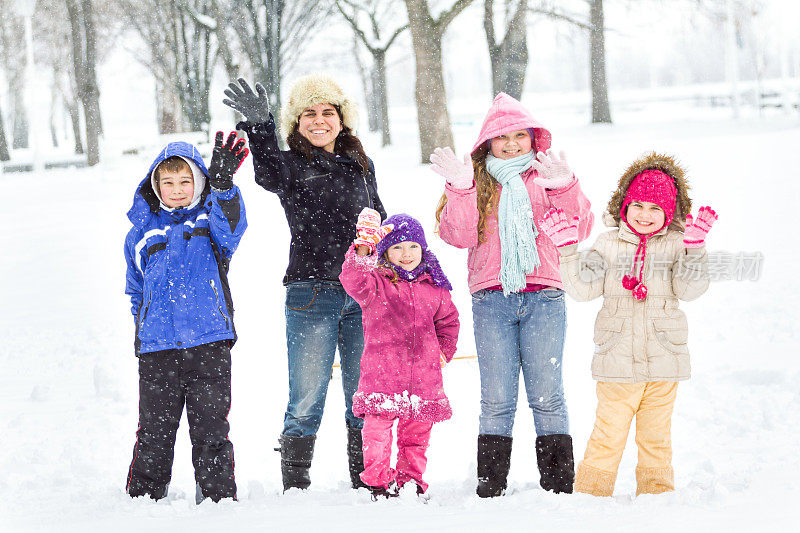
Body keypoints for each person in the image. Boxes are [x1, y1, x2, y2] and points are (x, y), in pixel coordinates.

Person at [223, 75, 386, 491]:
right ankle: (296, 486)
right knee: (307, 397)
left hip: (363, 294)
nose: (319, 121)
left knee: (362, 395)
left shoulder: (361, 165)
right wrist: (261, 127)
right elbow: (267, 175)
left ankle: (366, 478)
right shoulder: (291, 166)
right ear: (296, 122)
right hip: (311, 293)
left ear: (342, 119)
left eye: (327, 112)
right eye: (308, 114)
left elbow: (378, 220)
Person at [432, 93, 594, 497]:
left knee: (547, 393)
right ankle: (491, 482)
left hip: (544, 297)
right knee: (497, 397)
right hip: (492, 299)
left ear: (533, 138)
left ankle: (559, 483)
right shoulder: (477, 182)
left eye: (519, 135)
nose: (510, 144)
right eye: (501, 137)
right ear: (487, 142)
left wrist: (563, 188)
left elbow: (581, 225)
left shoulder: (546, 177)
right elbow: (460, 234)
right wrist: (461, 188)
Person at [540, 152, 716, 496]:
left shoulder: (677, 244)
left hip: (664, 359)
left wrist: (694, 250)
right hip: (616, 360)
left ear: (670, 213)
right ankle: (592, 493)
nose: (645, 215)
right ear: (624, 205)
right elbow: (582, 289)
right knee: (608, 433)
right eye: (638, 205)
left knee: (656, 435)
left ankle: (657, 493)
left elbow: (690, 289)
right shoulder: (608, 244)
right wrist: (568, 252)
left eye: (656, 209)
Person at [124, 133, 249, 503]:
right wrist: (144, 326)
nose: (176, 190)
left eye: (185, 181)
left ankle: (216, 497)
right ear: (155, 185)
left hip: (208, 341)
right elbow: (135, 289)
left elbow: (234, 227)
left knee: (211, 427)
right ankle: (145, 495)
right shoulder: (141, 234)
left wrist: (224, 187)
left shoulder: (210, 222)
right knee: (154, 430)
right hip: (157, 348)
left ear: (198, 182)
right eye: (168, 182)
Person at [339, 210, 459, 499]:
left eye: (413, 247)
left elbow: (449, 322)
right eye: (398, 247)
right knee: (376, 433)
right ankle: (378, 482)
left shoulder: (435, 288)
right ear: (386, 251)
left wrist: (443, 352)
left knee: (416, 437)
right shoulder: (375, 284)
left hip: (423, 380)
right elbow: (352, 279)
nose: (407, 254)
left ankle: (410, 480)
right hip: (382, 376)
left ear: (422, 249)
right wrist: (363, 250)